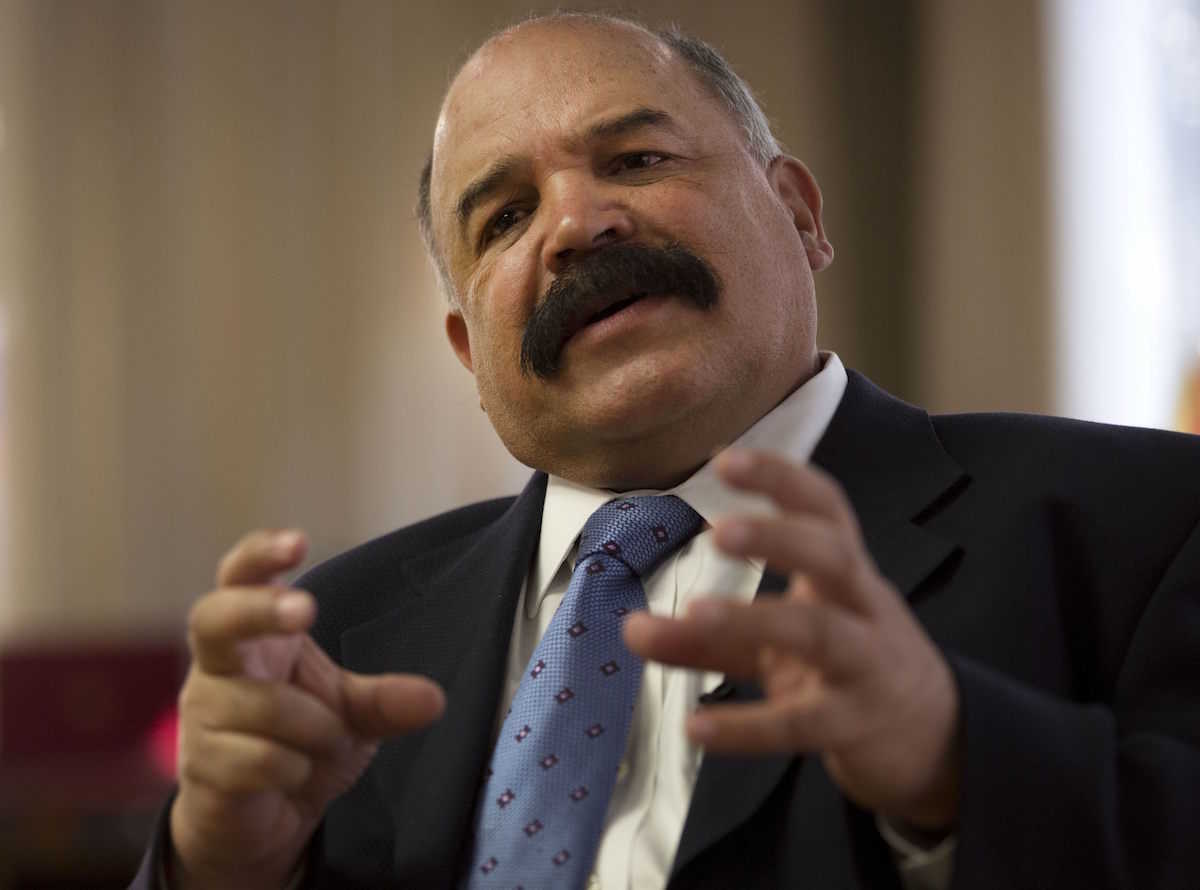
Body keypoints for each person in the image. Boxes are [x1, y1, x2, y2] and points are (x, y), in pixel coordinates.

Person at [131, 11, 1200, 890]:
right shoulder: (343, 638)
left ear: (799, 212)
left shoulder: (1144, 523)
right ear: (468, 350)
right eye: (503, 218)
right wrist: (220, 867)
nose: (575, 224)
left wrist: (957, 764)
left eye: (635, 159)